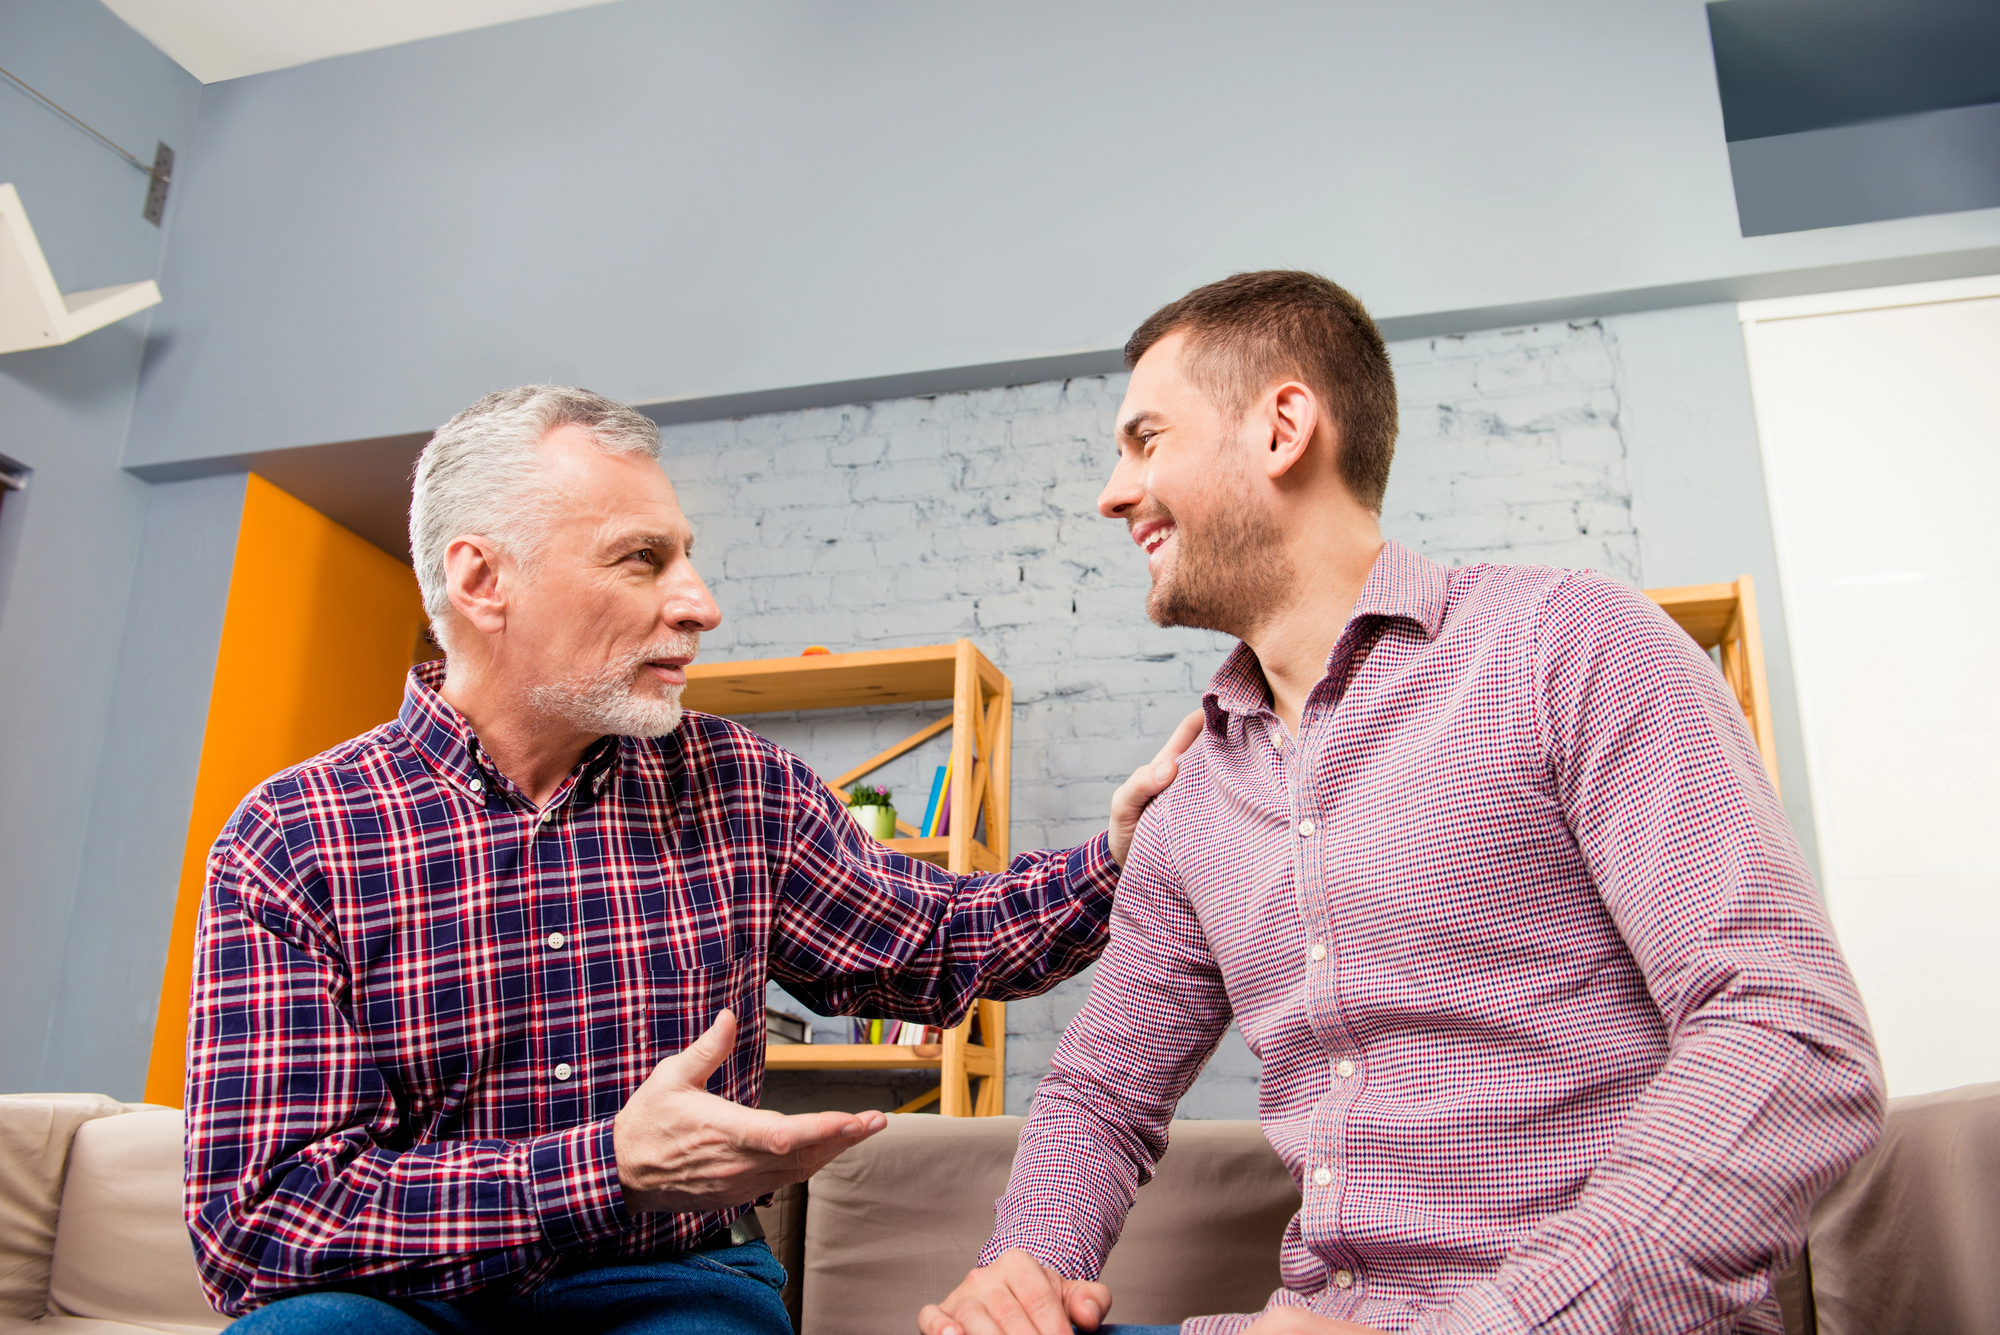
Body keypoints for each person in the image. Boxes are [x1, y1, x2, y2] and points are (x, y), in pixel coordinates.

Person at [920, 272, 1884, 1335]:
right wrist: (1024, 1264)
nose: (1112, 492)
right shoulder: (1192, 805)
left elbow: (1789, 1035)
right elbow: (1102, 1094)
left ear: (1283, 426)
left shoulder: (1566, 648)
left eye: (1145, 440)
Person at [182, 385, 1202, 1334]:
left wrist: (1117, 855)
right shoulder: (293, 836)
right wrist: (606, 1168)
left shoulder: (738, 785)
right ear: (481, 578)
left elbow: (932, 945)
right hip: (393, 1298)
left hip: (676, 1281)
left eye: (686, 557)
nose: (699, 604)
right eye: (641, 559)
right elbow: (260, 1222)